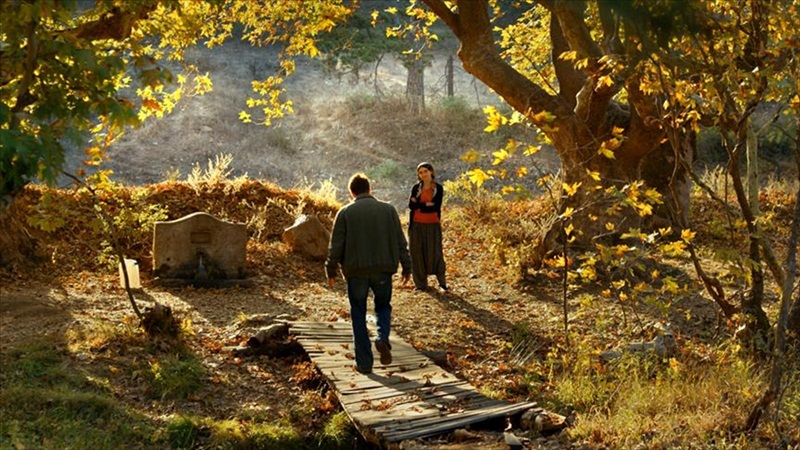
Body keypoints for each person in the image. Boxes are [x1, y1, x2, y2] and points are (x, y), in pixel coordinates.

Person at [325, 173, 412, 374]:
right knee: (382, 306)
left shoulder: (345, 212)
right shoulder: (389, 210)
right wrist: (407, 267)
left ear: (351, 192)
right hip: (383, 270)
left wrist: (331, 269)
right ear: (370, 189)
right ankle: (382, 338)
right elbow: (401, 241)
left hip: (356, 271)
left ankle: (364, 363)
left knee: (357, 312)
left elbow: (336, 245)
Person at [407, 162, 447, 292]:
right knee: (416, 253)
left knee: (435, 253)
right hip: (416, 224)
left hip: (432, 224)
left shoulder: (438, 188)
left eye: (425, 171)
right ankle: (420, 284)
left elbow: (435, 206)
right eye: (420, 172)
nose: (423, 174)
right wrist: (425, 205)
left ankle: (442, 283)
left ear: (431, 172)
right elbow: (411, 205)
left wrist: (421, 205)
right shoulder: (416, 188)